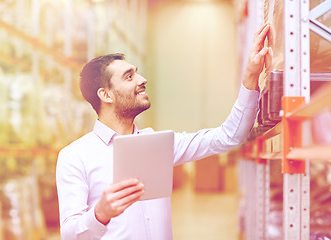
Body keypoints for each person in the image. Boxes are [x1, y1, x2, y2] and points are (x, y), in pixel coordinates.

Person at [56, 23, 274, 240]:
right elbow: (69, 233)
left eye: (137, 74)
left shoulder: (158, 144)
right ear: (106, 95)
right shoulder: (75, 157)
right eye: (129, 77)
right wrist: (100, 214)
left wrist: (250, 76)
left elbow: (229, 136)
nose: (143, 80)